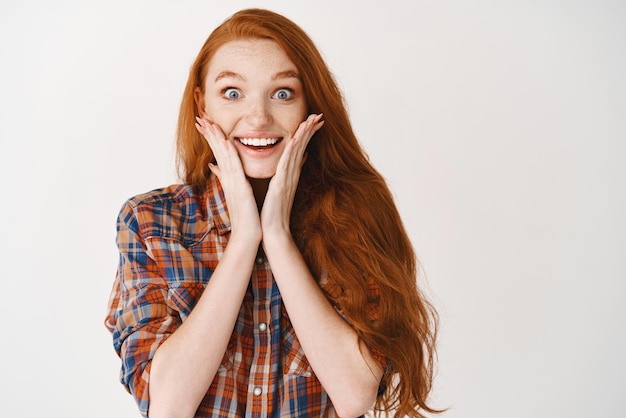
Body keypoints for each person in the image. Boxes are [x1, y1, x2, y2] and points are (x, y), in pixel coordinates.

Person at [105, 8, 440, 418]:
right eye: (232, 93)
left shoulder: (357, 214)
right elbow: (168, 406)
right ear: (201, 104)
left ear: (308, 105)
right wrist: (245, 237)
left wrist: (277, 236)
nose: (259, 118)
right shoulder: (150, 222)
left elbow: (355, 395)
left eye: (283, 93)